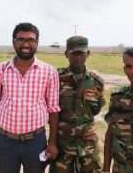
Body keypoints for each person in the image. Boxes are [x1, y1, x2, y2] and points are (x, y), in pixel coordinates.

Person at [0, 22, 61, 173]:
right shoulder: (1, 69)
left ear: (37, 43)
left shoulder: (49, 72)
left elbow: (53, 109)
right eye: (20, 39)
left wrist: (52, 142)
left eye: (31, 40)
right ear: (13, 42)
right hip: (5, 140)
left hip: (35, 141)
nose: (26, 44)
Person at [50, 36, 105, 173]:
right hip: (62, 145)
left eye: (81, 53)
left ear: (88, 54)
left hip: (87, 146)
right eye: (74, 53)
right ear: (66, 54)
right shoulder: (55, 78)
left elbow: (96, 110)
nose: (78, 57)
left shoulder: (96, 82)